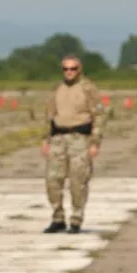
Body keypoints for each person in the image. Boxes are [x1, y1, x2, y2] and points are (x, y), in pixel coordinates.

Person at [41, 54, 107, 234]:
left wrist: (95, 142)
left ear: (79, 70)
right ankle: (58, 218)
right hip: (58, 139)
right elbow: (49, 115)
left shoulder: (88, 89)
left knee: (78, 181)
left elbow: (99, 116)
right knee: (53, 180)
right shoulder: (57, 89)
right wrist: (45, 139)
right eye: (66, 69)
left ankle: (76, 219)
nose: (69, 72)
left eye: (73, 69)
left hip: (80, 139)